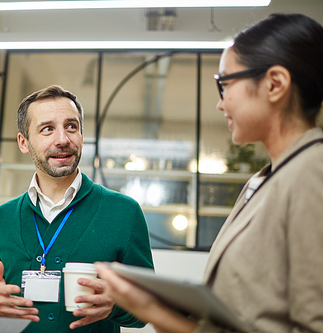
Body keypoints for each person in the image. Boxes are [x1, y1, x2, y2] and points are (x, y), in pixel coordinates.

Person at [97, 13, 323, 333]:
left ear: (275, 84)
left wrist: (157, 314)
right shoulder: (264, 180)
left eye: (225, 84)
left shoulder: (313, 173)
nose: (221, 104)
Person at [0, 85, 154, 332]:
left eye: (71, 127)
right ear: (24, 142)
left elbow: (149, 305)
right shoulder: (4, 216)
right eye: (47, 129)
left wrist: (115, 305)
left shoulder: (124, 212)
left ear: (82, 135)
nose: (63, 140)